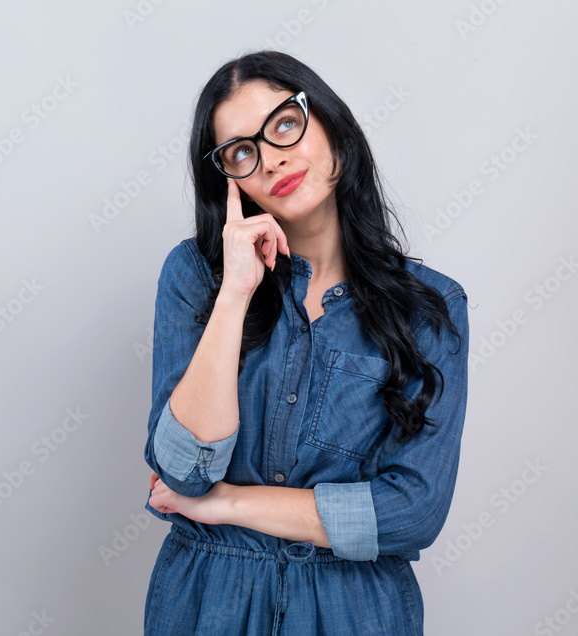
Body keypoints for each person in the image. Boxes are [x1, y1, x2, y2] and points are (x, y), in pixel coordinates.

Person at [142, 50, 470, 635]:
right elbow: (183, 471)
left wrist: (226, 506)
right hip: (207, 605)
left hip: (354, 612)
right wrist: (236, 291)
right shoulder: (196, 277)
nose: (270, 160)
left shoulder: (430, 308)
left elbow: (411, 513)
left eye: (284, 124)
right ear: (229, 181)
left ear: (331, 126)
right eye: (242, 152)